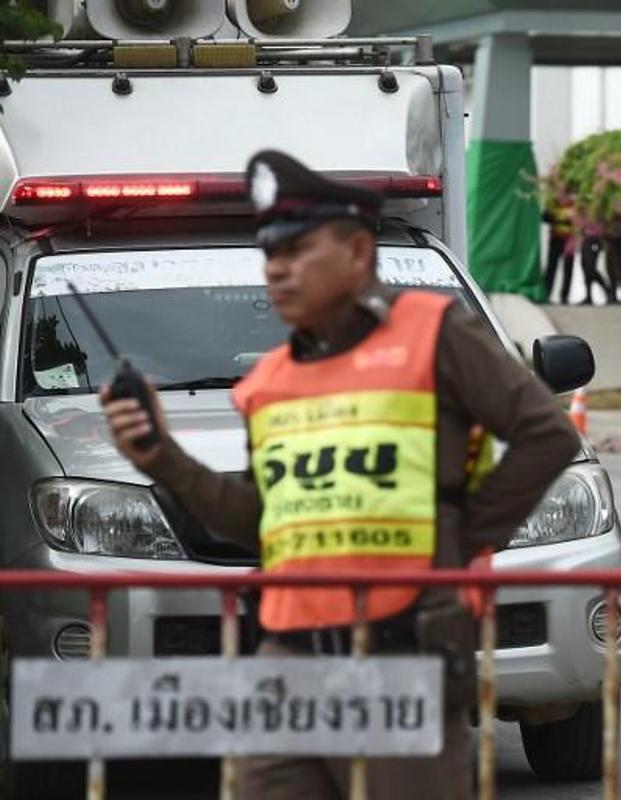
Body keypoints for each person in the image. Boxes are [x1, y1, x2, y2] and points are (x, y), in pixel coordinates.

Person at [100, 150, 581, 798]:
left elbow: (547, 434)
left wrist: (462, 542)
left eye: (297, 249)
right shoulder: (269, 380)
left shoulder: (433, 332)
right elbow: (262, 522)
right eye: (270, 253)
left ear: (357, 252)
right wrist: (162, 459)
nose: (277, 268)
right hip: (286, 661)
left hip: (397, 656)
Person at [542, 189, 577, 303]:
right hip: (556, 238)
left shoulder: (574, 203)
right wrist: (557, 216)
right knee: (551, 267)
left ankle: (564, 296)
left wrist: (566, 218)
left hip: (569, 240)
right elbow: (544, 217)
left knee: (568, 268)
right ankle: (546, 293)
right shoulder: (553, 202)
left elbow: (577, 220)